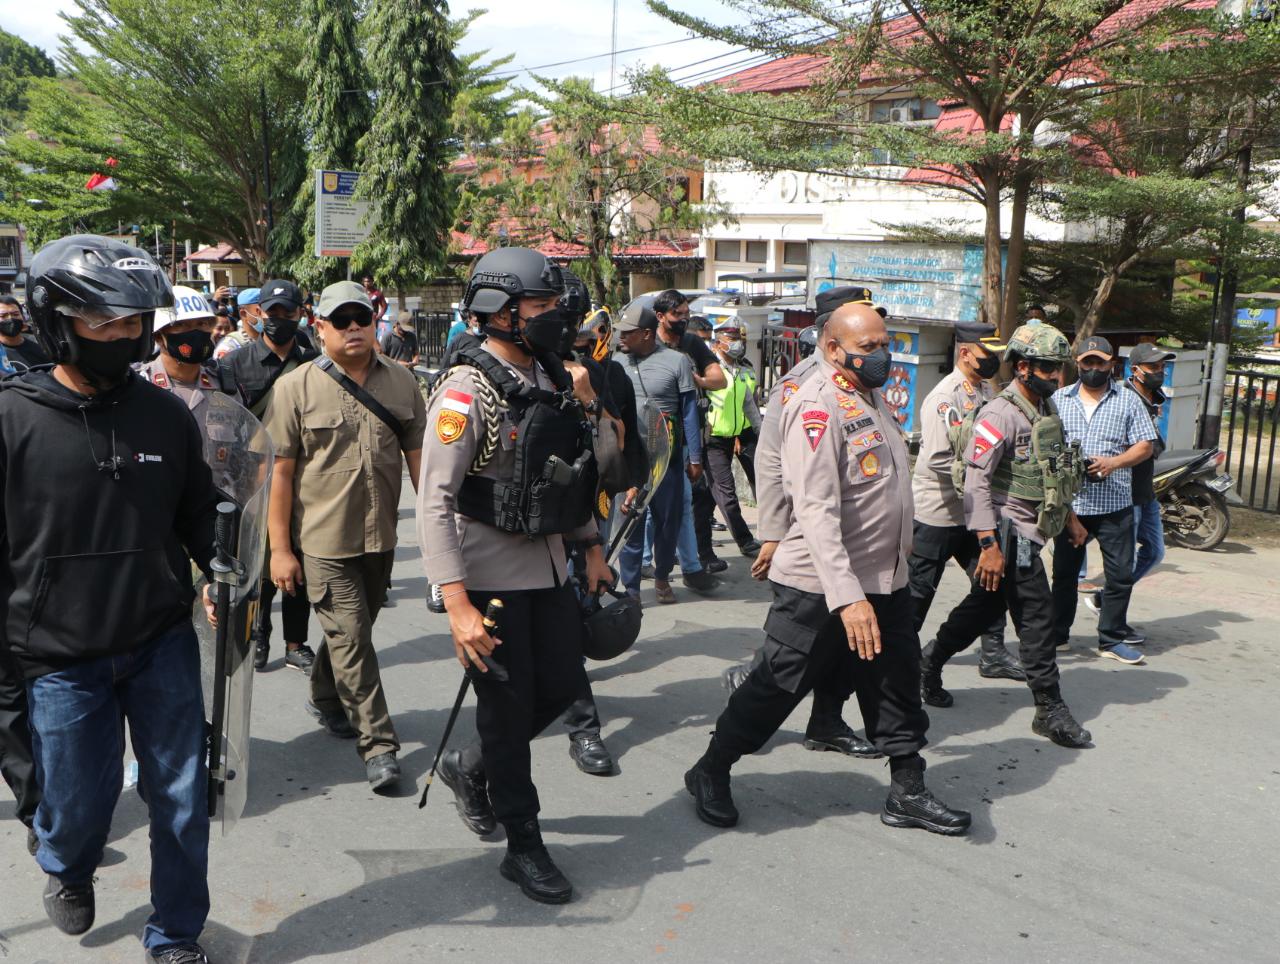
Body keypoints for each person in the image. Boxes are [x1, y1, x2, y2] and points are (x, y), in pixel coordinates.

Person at [5, 234, 220, 962]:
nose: (121, 336)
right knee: (76, 808)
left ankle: (176, 933)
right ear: (55, 320)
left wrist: (224, 566)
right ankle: (66, 864)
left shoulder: (166, 416)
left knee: (183, 800)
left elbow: (197, 513)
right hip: (60, 657)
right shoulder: (11, 419)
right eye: (102, 322)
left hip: (160, 639)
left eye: (132, 322)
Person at [684, 303, 970, 835]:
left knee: (895, 684)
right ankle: (711, 768)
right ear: (834, 349)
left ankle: (907, 789)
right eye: (869, 347)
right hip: (820, 585)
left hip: (884, 579)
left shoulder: (869, 393)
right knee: (776, 687)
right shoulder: (816, 403)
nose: (882, 356)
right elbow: (814, 508)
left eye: (885, 344)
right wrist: (846, 595)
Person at [418, 247, 613, 904]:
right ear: (499, 311)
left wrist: (590, 545)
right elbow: (434, 500)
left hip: (550, 564)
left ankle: (469, 766)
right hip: (488, 578)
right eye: (541, 304)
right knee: (506, 714)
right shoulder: (466, 390)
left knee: (560, 688)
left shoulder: (551, 373)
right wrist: (456, 604)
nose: (556, 315)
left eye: (555, 303)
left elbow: (568, 474)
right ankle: (524, 844)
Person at [263, 280, 427, 791]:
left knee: (352, 634)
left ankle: (325, 695)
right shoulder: (294, 388)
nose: (353, 327)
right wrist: (280, 550)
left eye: (362, 318)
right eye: (341, 320)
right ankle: (379, 745)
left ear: (375, 323)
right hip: (323, 542)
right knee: (352, 637)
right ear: (321, 328)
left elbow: (422, 464)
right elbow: (279, 476)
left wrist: (442, 531)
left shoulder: (403, 382)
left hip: (381, 538)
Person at [920, 324, 1094, 748]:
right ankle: (1049, 708)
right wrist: (988, 545)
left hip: (1033, 527)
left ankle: (929, 661)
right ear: (1022, 367)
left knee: (984, 607)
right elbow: (976, 481)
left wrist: (1070, 518)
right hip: (1007, 530)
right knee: (1037, 615)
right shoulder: (999, 413)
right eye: (1048, 368)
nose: (1056, 376)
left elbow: (1051, 470)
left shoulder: (1044, 408)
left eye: (1058, 368)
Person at [729, 286, 883, 760]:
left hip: (855, 544)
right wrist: (774, 534)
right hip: (811, 540)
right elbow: (770, 460)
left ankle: (826, 722)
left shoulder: (863, 382)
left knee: (843, 650)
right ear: (830, 333)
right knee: (795, 650)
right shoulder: (801, 384)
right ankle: (741, 717)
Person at [908, 321, 1024, 682]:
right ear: (965, 353)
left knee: (992, 582)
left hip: (974, 514)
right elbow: (938, 458)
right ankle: (899, 660)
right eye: (986, 354)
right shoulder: (945, 397)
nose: (993, 361)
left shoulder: (986, 391)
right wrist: (983, 475)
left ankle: (993, 654)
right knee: (918, 594)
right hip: (938, 511)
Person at [219, 280, 319, 673]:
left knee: (298, 558)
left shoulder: (313, 361)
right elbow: (226, 427)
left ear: (300, 314)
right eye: (271, 312)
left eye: (287, 313)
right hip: (253, 478)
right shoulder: (235, 363)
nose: (279, 319)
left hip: (302, 477)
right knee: (260, 563)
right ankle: (259, 633)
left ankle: (296, 643)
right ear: (259, 313)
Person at [1048, 335, 1156, 664]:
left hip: (1115, 504)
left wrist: (1113, 463)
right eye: (1088, 362)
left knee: (1120, 575)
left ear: (1112, 365)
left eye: (1100, 362)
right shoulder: (1058, 400)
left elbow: (1145, 445)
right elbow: (1046, 445)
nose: (1094, 368)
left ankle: (1111, 638)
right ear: (1078, 364)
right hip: (1072, 506)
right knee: (1064, 575)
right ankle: (1057, 636)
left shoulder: (1128, 400)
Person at [615, 304, 708, 604]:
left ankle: (662, 576)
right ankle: (631, 589)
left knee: (668, 522)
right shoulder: (616, 361)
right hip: (629, 459)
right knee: (630, 521)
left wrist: (695, 457)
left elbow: (689, 412)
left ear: (646, 333)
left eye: (627, 333)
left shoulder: (677, 361)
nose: (621, 338)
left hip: (666, 458)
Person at [652, 289, 726, 580]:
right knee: (650, 506)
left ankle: (692, 564)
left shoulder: (692, 343)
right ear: (660, 316)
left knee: (687, 502)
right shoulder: (649, 341)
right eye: (677, 314)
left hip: (688, 435)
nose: (683, 319)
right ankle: (647, 561)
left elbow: (719, 379)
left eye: (686, 313)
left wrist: (693, 379)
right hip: (653, 436)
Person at [703, 319, 762, 557]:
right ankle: (744, 540)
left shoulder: (743, 368)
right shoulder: (709, 369)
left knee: (763, 482)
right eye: (732, 339)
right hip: (715, 439)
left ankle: (772, 533)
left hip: (741, 434)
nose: (737, 344)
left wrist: (761, 434)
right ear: (718, 343)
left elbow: (750, 405)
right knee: (726, 494)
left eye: (739, 339)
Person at [138, 285, 222, 432]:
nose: (195, 332)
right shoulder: (140, 386)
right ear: (158, 336)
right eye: (181, 325)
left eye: (201, 323)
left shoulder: (225, 386)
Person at [1124, 343, 1173, 586]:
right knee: (1125, 558)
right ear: (1136, 370)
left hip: (1145, 490)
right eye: (1153, 367)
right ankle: (1109, 604)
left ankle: (1105, 598)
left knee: (1154, 552)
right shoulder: (1124, 400)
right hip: (1125, 491)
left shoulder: (1153, 398)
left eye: (1162, 367)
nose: (1159, 372)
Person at [0, 296, 52, 371]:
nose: (10, 318)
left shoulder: (41, 345)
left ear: (23, 317)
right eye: (3, 316)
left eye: (15, 314)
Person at [212, 287, 262, 360]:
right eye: (259, 311)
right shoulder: (230, 346)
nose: (266, 316)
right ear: (244, 314)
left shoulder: (269, 339)